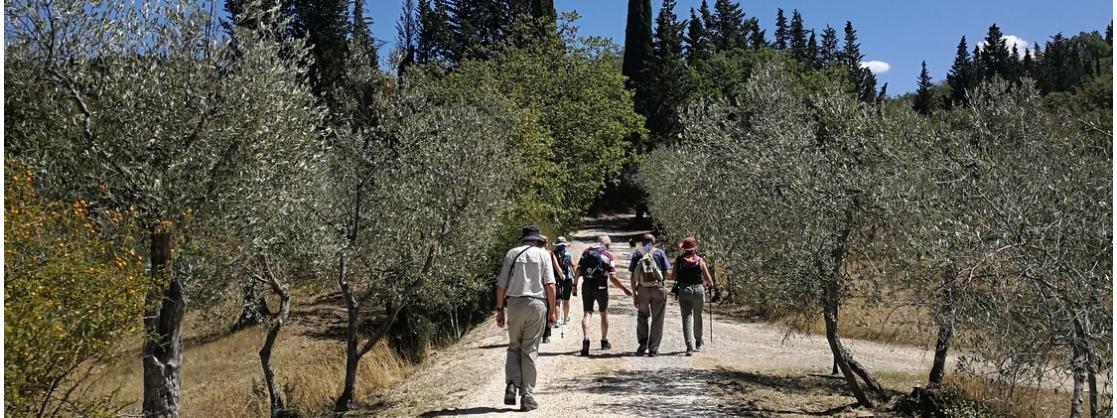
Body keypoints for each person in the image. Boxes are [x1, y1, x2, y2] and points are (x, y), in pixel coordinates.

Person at [495, 226, 557, 411]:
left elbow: (500, 286)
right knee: (529, 350)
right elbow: (550, 285)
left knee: (514, 346)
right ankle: (527, 396)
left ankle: (512, 385)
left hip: (514, 304)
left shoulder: (511, 254)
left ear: (524, 239)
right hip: (537, 304)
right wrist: (552, 312)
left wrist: (500, 310)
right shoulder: (543, 255)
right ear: (537, 240)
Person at [573, 235, 632, 356]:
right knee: (603, 313)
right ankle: (604, 341)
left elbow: (578, 270)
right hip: (601, 287)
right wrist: (624, 289)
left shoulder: (586, 252)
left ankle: (586, 339)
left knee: (587, 313)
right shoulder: (608, 255)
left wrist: (574, 286)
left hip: (587, 285)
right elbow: (613, 277)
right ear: (607, 245)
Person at [629, 233, 671, 357]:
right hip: (658, 289)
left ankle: (642, 345)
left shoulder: (637, 253)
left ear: (642, 242)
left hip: (642, 289)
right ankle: (653, 349)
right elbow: (668, 273)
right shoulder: (660, 252)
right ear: (654, 242)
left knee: (642, 316)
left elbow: (632, 277)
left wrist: (634, 295)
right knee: (657, 318)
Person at [672, 237, 715, 356]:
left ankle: (689, 346)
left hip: (684, 290)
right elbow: (708, 279)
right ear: (694, 248)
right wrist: (711, 285)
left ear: (684, 249)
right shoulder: (700, 261)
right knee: (698, 315)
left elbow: (673, 276)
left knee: (686, 318)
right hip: (698, 290)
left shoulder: (679, 260)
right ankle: (698, 341)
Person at [552, 236, 576, 325]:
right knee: (566, 300)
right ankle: (565, 318)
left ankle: (557, 320)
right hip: (568, 279)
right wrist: (575, 276)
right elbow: (573, 265)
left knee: (557, 301)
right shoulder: (568, 254)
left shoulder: (552, 254)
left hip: (556, 278)